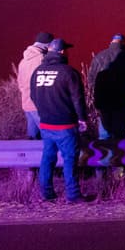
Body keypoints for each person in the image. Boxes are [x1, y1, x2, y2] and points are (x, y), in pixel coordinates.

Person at [28, 38, 91, 203]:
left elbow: (33, 96)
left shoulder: (37, 71)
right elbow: (78, 99)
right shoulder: (69, 72)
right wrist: (82, 119)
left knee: (47, 158)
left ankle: (46, 193)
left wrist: (44, 112)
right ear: (62, 52)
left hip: (46, 124)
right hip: (65, 125)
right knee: (70, 159)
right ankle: (73, 195)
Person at [87, 33, 125, 140]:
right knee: (119, 136)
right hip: (121, 102)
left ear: (111, 42)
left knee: (104, 135)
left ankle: (105, 155)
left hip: (103, 102)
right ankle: (117, 156)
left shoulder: (98, 57)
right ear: (124, 43)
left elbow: (90, 80)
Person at [16, 31, 54, 139]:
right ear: (47, 45)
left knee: (32, 140)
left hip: (27, 103)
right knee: (49, 138)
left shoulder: (23, 61)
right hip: (40, 104)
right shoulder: (43, 60)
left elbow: (20, 83)